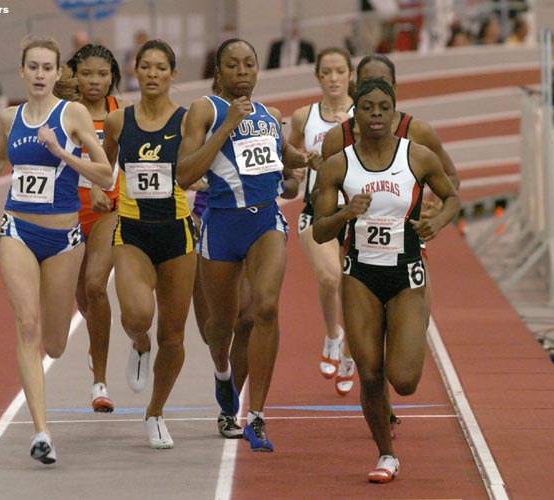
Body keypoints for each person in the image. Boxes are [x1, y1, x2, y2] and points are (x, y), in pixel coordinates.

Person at [0, 35, 113, 464]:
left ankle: (63, 354)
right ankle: (42, 432)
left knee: (56, 342)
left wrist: (61, 150)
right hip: (18, 230)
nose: (41, 74)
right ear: (23, 72)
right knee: (26, 326)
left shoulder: (74, 114)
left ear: (59, 72)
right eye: (34, 67)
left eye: (49, 68)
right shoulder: (10, 118)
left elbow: (105, 173)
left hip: (64, 240)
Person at [313, 77, 460, 483]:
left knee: (405, 380)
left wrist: (437, 222)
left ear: (395, 115)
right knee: (371, 372)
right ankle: (386, 454)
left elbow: (452, 197)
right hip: (359, 274)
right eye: (367, 108)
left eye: (383, 107)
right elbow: (320, 231)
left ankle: (404, 333)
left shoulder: (419, 157)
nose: (376, 114)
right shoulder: (338, 164)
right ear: (355, 115)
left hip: (406, 273)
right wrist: (346, 213)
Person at [177, 38, 320, 452]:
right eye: (233, 65)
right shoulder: (204, 110)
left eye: (250, 64)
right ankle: (223, 376)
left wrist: (307, 159)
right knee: (219, 327)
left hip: (265, 222)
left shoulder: (270, 116)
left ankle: (255, 414)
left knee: (265, 309)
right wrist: (226, 125)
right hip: (220, 226)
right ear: (218, 72)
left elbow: (284, 155)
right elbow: (184, 175)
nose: (243, 71)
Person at [102, 39, 196, 449]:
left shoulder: (188, 120)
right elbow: (104, 161)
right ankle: (138, 344)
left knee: (173, 338)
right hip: (133, 232)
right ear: (135, 71)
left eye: (162, 67)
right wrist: (97, 184)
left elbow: (196, 164)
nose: (153, 74)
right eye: (146, 67)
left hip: (177, 232)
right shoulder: (119, 122)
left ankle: (155, 412)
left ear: (173, 74)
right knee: (139, 316)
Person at [56, 44, 131, 413]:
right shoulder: (64, 111)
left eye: (102, 74)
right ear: (75, 75)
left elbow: (132, 157)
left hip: (108, 210)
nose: (95, 81)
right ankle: (95, 338)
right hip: (69, 210)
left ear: (112, 75)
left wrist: (105, 185)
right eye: (87, 74)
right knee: (84, 301)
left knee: (96, 285)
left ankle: (99, 383)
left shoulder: (120, 113)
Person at [287, 47, 356, 396]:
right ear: (317, 76)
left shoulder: (364, 116)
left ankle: (348, 354)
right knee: (330, 277)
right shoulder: (304, 117)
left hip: (359, 212)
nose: (333, 79)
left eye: (339, 72)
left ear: (350, 75)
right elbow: (290, 160)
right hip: (319, 210)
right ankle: (333, 335)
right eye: (326, 72)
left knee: (358, 290)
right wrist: (300, 164)